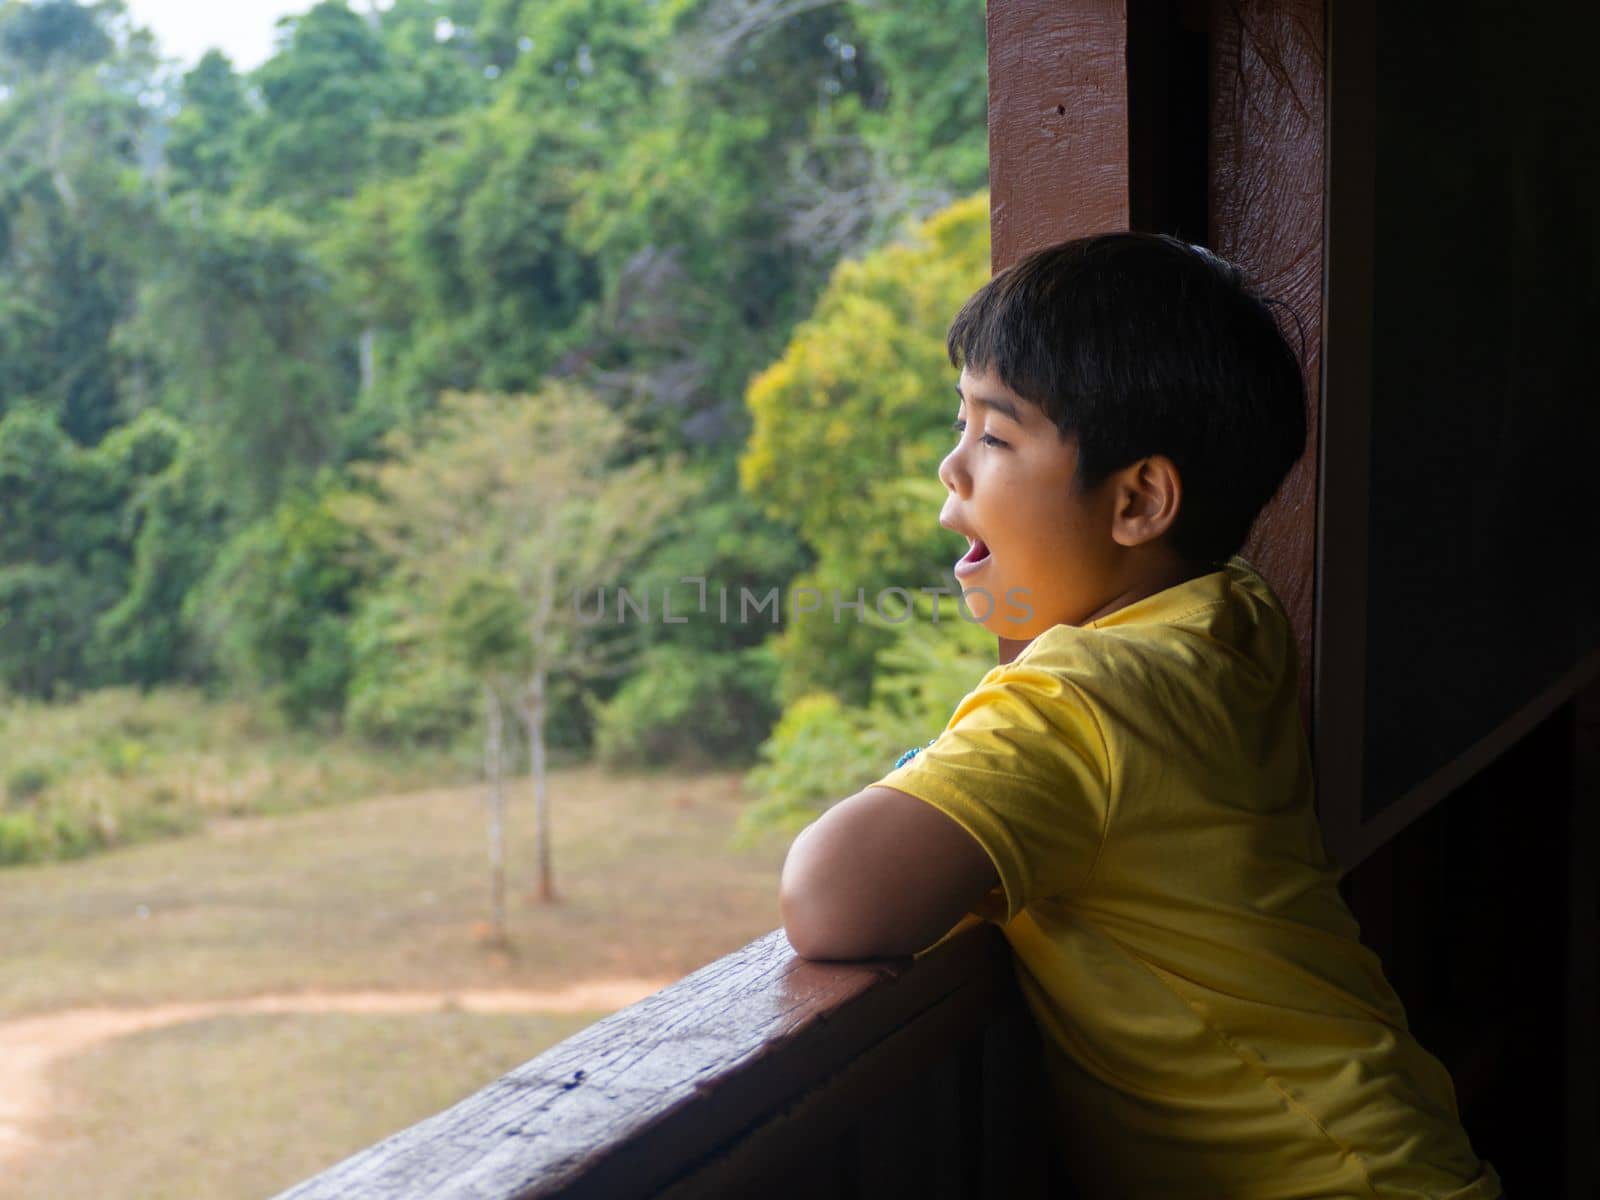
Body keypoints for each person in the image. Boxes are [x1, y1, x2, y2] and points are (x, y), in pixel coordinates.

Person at [778, 233, 1504, 1198]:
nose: (952, 469)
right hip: (1390, 1154)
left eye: (994, 437)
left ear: (1139, 501)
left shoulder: (1086, 696)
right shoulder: (1230, 611)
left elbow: (830, 897)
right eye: (962, 425)